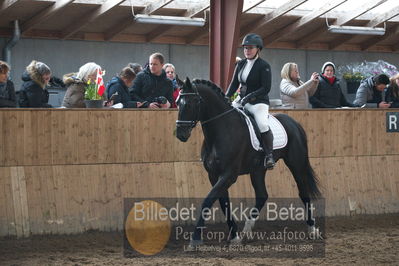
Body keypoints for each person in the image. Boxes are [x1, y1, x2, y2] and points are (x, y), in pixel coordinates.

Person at [226, 33, 275, 169]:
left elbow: (266, 88)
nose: (247, 51)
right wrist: (226, 97)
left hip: (258, 102)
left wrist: (250, 96)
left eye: (250, 48)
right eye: (245, 48)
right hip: (241, 100)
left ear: (258, 49)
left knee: (262, 124)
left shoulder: (264, 65)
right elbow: (234, 84)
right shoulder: (241, 64)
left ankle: (269, 155)